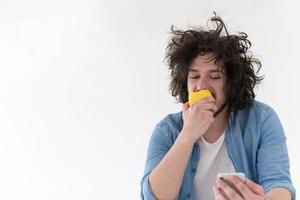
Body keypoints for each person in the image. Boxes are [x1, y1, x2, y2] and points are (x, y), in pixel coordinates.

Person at [140, 13, 296, 200]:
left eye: (214, 76)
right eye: (195, 77)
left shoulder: (262, 120)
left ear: (231, 82)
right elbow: (152, 197)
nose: (202, 85)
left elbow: (279, 184)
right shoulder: (167, 130)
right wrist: (187, 135)